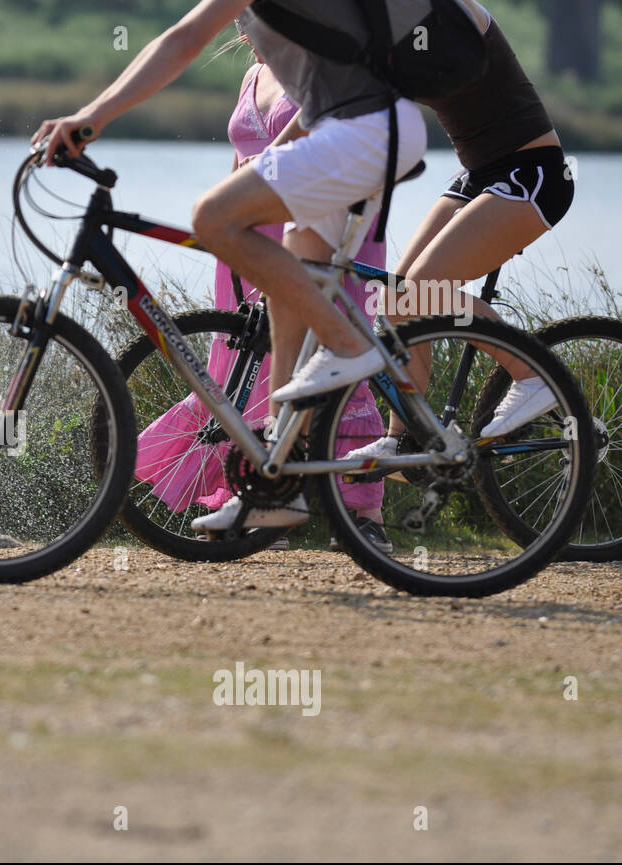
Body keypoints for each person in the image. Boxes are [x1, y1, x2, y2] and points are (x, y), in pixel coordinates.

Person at [35, 0, 430, 533]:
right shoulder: (267, 66)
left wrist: (91, 118)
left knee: (228, 237)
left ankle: (361, 501)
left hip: (344, 167)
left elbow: (183, 37)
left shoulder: (310, 51)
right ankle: (276, 489)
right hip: (274, 224)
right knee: (268, 363)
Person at [134, 48, 392, 552]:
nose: (244, 27)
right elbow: (239, 162)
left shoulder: (322, 66)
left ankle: (365, 514)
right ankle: (260, 496)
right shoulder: (253, 74)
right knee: (243, 367)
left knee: (328, 361)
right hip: (248, 234)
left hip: (313, 223)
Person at [343, 0, 575, 463]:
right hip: (477, 177)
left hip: (532, 173)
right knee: (396, 300)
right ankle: (407, 435)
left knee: (426, 290)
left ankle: (532, 375)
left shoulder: (457, 12)